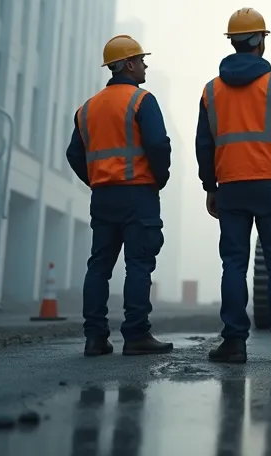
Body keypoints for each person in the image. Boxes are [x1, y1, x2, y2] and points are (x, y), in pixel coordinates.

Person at [196, 7, 271, 364]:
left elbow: (205, 144)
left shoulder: (211, 91)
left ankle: (234, 344)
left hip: (231, 186)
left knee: (233, 264)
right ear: (259, 40)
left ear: (233, 42)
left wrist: (209, 185)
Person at [66, 34, 174, 357]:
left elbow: (74, 154)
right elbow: (157, 145)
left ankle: (95, 338)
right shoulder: (142, 101)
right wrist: (160, 177)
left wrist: (97, 180)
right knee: (138, 264)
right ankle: (137, 335)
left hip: (103, 197)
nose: (145, 65)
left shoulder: (87, 109)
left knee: (99, 265)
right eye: (141, 60)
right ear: (128, 64)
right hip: (138, 195)